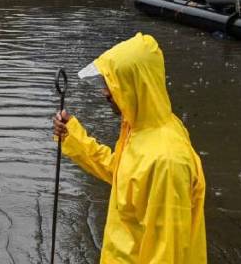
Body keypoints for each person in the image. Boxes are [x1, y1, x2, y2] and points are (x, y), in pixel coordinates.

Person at [52, 33, 206, 263]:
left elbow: (167, 254)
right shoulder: (142, 129)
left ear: (134, 86)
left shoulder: (166, 160)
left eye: (112, 83)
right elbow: (123, 175)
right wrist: (73, 137)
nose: (105, 92)